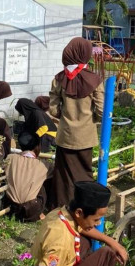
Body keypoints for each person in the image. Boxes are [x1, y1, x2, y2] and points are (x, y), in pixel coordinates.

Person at [49, 37, 104, 208]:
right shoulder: (95, 80)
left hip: (65, 135)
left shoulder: (59, 78)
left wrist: (65, 115)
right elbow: (102, 111)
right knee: (84, 174)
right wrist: (90, 120)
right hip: (85, 137)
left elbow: (53, 110)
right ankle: (83, 208)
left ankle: (62, 208)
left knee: (64, 175)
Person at [5, 131, 53, 222]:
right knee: (41, 184)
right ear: (38, 147)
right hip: (32, 210)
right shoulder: (43, 165)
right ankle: (41, 212)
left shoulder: (10, 158)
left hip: (12, 208)